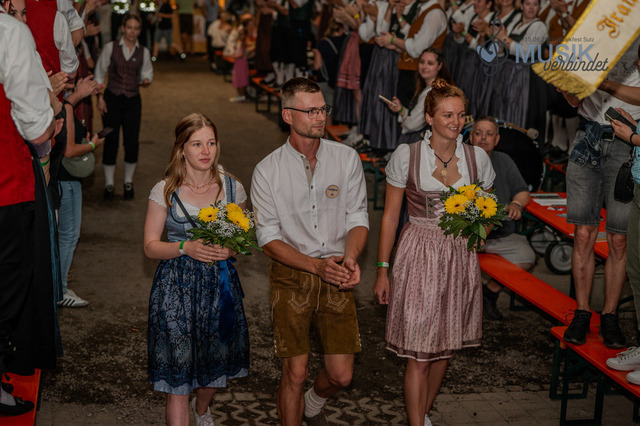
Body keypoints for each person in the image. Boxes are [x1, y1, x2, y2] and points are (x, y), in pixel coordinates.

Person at [373, 79, 495, 426]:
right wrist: (382, 269)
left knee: (444, 347)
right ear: (429, 117)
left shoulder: (477, 158)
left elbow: (489, 208)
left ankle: (422, 415)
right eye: (447, 115)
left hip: (458, 258)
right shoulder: (408, 155)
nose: (456, 122)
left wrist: (481, 231)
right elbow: (390, 217)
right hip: (418, 254)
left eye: (460, 114)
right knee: (420, 353)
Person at [251, 77, 369, 425]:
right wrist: (314, 267)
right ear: (288, 115)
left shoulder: (346, 158)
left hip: (336, 269)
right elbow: (268, 238)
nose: (320, 117)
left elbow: (358, 217)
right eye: (311, 111)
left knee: (341, 376)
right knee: (295, 372)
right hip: (290, 273)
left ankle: (314, 399)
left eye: (322, 109)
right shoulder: (268, 170)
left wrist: (351, 257)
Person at [144, 113, 249, 426]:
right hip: (175, 289)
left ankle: (202, 408)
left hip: (219, 287)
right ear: (182, 150)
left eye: (211, 143)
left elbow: (240, 239)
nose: (206, 151)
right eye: (197, 144)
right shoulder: (165, 190)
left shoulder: (233, 189)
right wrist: (184, 247)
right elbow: (150, 246)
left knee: (213, 369)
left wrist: (230, 249)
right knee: (178, 381)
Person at [561, 38, 640, 349]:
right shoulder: (589, 39)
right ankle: (582, 312)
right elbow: (573, 100)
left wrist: (604, 83)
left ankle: (609, 315)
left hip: (627, 140)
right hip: (587, 136)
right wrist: (566, 88)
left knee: (619, 238)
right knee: (583, 234)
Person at [0, 3, 58, 416]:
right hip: (5, 187)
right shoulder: (9, 32)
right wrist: (48, 129)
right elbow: (36, 126)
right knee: (7, 293)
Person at [469, 116, 535, 320]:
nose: (483, 138)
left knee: (527, 257)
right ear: (470, 137)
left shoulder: (504, 161)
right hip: (467, 236)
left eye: (489, 134)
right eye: (478, 133)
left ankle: (489, 292)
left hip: (500, 234)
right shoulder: (459, 161)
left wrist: (516, 204)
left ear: (496, 139)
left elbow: (523, 191)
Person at [95, 13, 153, 200]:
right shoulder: (110, 48)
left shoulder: (143, 51)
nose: (132, 32)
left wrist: (146, 79)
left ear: (139, 30)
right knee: (110, 139)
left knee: (131, 141)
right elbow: (99, 74)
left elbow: (147, 72)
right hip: (111, 98)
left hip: (132, 100)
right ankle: (109, 184)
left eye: (136, 28)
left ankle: (128, 182)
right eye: (129, 28)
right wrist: (99, 98)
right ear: (122, 28)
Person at [383, 47, 452, 144]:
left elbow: (412, 124)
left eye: (430, 63)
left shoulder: (433, 92)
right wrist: (400, 109)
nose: (424, 67)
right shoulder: (427, 88)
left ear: (439, 66)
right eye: (422, 62)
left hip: (419, 141)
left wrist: (405, 122)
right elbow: (415, 117)